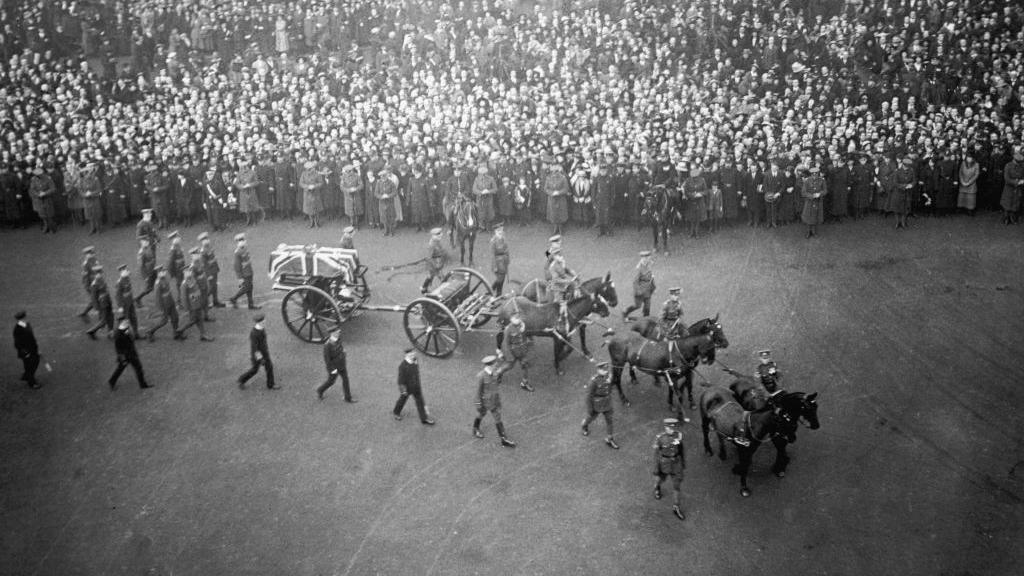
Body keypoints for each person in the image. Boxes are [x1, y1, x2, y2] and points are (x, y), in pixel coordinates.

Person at [473, 355, 515, 447]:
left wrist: (498, 400)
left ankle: (503, 439)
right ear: (489, 365)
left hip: (494, 401)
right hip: (485, 401)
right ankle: (476, 428)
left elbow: (495, 386)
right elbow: (478, 391)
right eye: (494, 363)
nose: (496, 364)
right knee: (481, 414)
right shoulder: (481, 376)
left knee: (497, 418)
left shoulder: (495, 373)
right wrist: (478, 404)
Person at [652, 418, 686, 521]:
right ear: (665, 427)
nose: (671, 430)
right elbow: (656, 455)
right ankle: (657, 487)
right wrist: (656, 468)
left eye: (672, 427)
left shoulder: (678, 436)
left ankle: (676, 507)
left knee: (677, 486)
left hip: (676, 464)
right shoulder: (660, 438)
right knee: (660, 480)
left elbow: (681, 450)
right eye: (668, 427)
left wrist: (683, 463)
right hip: (664, 464)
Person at [581, 362, 620, 449]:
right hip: (597, 404)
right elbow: (588, 396)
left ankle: (609, 439)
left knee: (609, 421)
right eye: (603, 370)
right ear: (598, 370)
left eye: (606, 369)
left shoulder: (608, 377)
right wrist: (590, 409)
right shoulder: (593, 381)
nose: (605, 371)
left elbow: (609, 386)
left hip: (607, 403)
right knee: (591, 418)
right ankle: (584, 425)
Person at [393, 348, 436, 425]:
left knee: (420, 402)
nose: (413, 355)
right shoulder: (403, 366)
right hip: (407, 387)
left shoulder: (415, 361)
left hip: (416, 386)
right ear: (406, 355)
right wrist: (403, 390)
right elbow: (401, 380)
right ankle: (396, 412)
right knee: (402, 400)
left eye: (413, 353)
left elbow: (416, 373)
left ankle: (424, 418)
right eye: (411, 354)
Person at [108, 316, 151, 390]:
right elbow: (118, 348)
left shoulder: (125, 329)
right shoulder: (118, 333)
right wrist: (122, 357)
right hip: (127, 354)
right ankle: (142, 384)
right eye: (124, 321)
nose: (127, 322)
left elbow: (131, 339)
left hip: (130, 353)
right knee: (136, 368)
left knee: (127, 368)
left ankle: (112, 381)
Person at [314, 327, 355, 402]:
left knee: (345, 380)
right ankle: (320, 390)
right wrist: (332, 369)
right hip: (334, 367)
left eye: (339, 332)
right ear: (332, 333)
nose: (339, 333)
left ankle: (348, 397)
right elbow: (327, 360)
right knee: (331, 381)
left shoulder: (338, 339)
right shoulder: (327, 345)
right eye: (337, 332)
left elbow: (340, 346)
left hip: (341, 364)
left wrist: (343, 351)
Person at [238, 312, 277, 389]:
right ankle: (242, 379)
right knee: (254, 370)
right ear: (259, 322)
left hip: (265, 353)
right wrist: (261, 358)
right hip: (258, 356)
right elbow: (255, 349)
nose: (265, 322)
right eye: (263, 321)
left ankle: (271, 385)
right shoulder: (254, 333)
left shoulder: (261, 328)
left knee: (269, 367)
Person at [497, 311, 533, 391]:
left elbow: (526, 335)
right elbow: (505, 344)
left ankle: (524, 383)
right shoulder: (508, 329)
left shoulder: (522, 325)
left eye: (518, 318)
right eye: (515, 318)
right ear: (511, 319)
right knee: (508, 366)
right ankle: (497, 374)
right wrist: (509, 356)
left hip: (522, 350)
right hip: (513, 352)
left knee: (525, 366)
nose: (517, 320)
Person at [145, 266, 182, 341]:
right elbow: (158, 298)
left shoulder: (164, 279)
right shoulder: (158, 284)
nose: (163, 273)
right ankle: (150, 331)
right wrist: (161, 308)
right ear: (158, 274)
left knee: (175, 317)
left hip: (170, 302)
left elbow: (168, 291)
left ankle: (176, 333)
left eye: (164, 271)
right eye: (161, 272)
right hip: (164, 305)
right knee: (163, 321)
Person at [178, 267, 214, 342]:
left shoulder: (192, 279)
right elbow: (184, 297)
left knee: (199, 319)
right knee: (193, 320)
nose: (189, 272)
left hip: (197, 303)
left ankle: (202, 334)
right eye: (187, 271)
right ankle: (180, 330)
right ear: (184, 273)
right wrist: (187, 308)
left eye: (190, 271)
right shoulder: (184, 284)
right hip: (192, 306)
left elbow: (197, 289)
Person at [229, 233, 260, 309]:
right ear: (238, 242)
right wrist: (240, 278)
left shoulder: (245, 249)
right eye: (240, 240)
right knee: (246, 288)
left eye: (243, 239)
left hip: (249, 272)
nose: (243, 241)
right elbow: (237, 266)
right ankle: (234, 298)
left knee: (250, 288)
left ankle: (251, 305)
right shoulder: (237, 252)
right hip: (245, 274)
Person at [622, 250, 655, 321]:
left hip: (648, 290)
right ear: (642, 259)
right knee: (637, 306)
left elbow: (650, 275)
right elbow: (635, 282)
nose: (647, 259)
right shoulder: (638, 268)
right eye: (645, 258)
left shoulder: (649, 265)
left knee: (647, 306)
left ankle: (646, 319)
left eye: (648, 257)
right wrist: (638, 291)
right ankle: (625, 312)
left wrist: (652, 283)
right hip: (640, 291)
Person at [13, 310, 41, 389]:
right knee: (30, 366)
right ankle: (32, 383)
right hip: (26, 352)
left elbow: (31, 338)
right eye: (25, 317)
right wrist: (25, 352)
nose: (27, 317)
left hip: (32, 349)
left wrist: (36, 348)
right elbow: (17, 344)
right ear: (22, 318)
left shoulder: (27, 325)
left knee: (35, 362)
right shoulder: (17, 329)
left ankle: (26, 376)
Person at [86, 265, 115, 339]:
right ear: (95, 274)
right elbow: (94, 297)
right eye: (98, 273)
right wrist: (97, 307)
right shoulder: (94, 284)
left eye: (100, 273)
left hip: (107, 301)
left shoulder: (101, 280)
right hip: (102, 304)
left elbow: (106, 291)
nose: (100, 274)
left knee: (111, 316)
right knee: (104, 320)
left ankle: (110, 332)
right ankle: (92, 331)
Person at [199, 232, 225, 308]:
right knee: (211, 288)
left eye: (207, 238)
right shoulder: (203, 252)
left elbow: (212, 258)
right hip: (210, 272)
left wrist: (216, 267)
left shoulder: (209, 247)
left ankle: (215, 301)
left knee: (215, 286)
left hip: (214, 270)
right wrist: (208, 275)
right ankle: (203, 302)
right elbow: (204, 266)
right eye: (205, 239)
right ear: (202, 241)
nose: (207, 240)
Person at [801, 165, 827, 238]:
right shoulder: (807, 181)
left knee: (816, 216)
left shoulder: (822, 180)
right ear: (811, 174)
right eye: (813, 174)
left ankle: (814, 231)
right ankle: (808, 231)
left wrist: (819, 194)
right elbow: (803, 192)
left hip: (818, 201)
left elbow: (825, 191)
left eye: (816, 174)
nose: (815, 175)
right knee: (809, 216)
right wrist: (811, 196)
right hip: (809, 201)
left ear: (818, 173)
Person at [421, 227, 449, 293]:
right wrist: (435, 266)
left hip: (438, 262)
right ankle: (446, 291)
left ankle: (424, 288)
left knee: (430, 276)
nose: (441, 235)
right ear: (433, 236)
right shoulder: (432, 245)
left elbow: (441, 251)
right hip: (434, 264)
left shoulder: (437, 242)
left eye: (441, 233)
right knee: (442, 278)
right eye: (438, 234)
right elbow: (429, 257)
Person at [114, 264, 139, 335]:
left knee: (134, 318)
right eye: (126, 270)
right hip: (124, 304)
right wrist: (120, 306)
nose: (128, 271)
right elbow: (118, 295)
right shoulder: (119, 282)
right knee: (125, 320)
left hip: (130, 302)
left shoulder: (127, 278)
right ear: (121, 272)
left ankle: (136, 334)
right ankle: (123, 335)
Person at [1001, 149, 1024, 225]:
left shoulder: (1022, 166)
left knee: (1015, 204)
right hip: (1009, 188)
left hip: (1018, 189)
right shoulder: (1008, 166)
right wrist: (1017, 182)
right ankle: (1006, 218)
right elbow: (1006, 179)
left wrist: (1022, 181)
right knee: (1007, 204)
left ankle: (1012, 218)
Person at [166, 231, 186, 305]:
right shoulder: (173, 250)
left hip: (181, 269)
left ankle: (181, 300)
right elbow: (170, 263)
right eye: (178, 237)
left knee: (181, 285)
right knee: (180, 286)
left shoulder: (178, 247)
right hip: (178, 271)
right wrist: (172, 274)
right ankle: (179, 302)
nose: (180, 239)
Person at [135, 237, 157, 306]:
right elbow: (141, 267)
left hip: (153, 270)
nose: (147, 242)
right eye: (145, 241)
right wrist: (146, 277)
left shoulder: (148, 248)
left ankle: (160, 296)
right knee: (149, 288)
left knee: (157, 284)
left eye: (147, 241)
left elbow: (151, 257)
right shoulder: (141, 253)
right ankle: (137, 298)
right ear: (141, 242)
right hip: (148, 273)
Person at [78, 246, 99, 318]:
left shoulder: (94, 260)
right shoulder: (86, 263)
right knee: (95, 298)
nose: (93, 254)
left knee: (95, 298)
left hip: (96, 282)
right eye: (91, 253)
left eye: (93, 253)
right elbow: (85, 276)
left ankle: (85, 313)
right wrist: (87, 286)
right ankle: (85, 312)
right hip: (90, 284)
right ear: (87, 254)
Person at [489, 222, 510, 294]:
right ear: (495, 232)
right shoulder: (493, 241)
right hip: (497, 262)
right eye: (498, 231)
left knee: (502, 278)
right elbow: (492, 255)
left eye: (501, 230)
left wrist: (508, 260)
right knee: (499, 279)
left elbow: (507, 250)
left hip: (503, 261)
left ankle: (495, 291)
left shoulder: (504, 239)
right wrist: (495, 267)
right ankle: (495, 292)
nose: (500, 232)